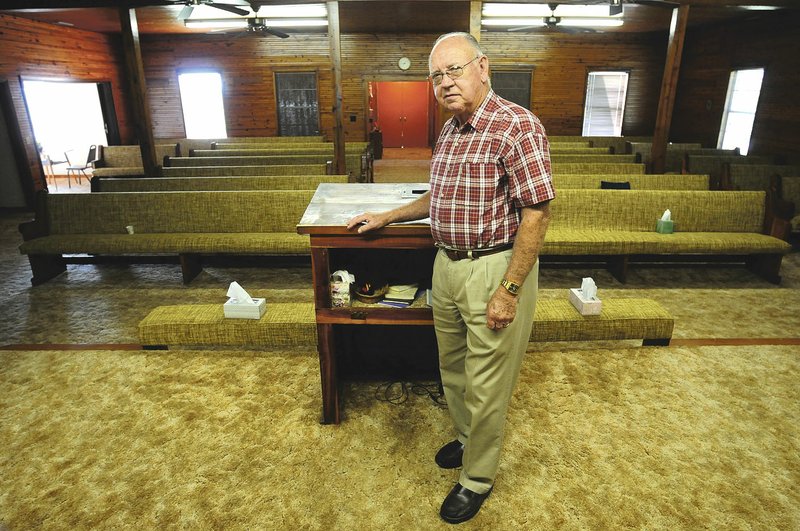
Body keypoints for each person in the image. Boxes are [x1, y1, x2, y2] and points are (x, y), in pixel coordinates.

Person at [346, 32, 554, 524]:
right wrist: (388, 216)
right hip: (447, 265)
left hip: (493, 268)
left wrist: (509, 289)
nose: (445, 82)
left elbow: (537, 214)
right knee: (454, 369)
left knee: (486, 383)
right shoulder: (451, 130)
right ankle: (466, 438)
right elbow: (437, 200)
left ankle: (477, 479)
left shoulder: (517, 126)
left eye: (454, 70)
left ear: (482, 67)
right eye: (437, 75)